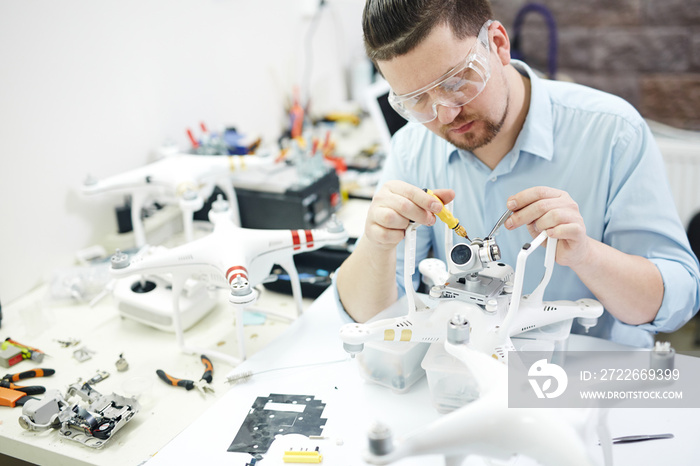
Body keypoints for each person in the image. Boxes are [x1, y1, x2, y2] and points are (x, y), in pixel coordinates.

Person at [335, 0, 700, 347]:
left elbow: (675, 305)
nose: (444, 114)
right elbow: (369, 320)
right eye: (417, 100)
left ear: (498, 43)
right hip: (472, 376)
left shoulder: (613, 133)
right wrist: (375, 244)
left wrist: (587, 256)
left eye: (455, 81)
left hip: (591, 379)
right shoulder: (412, 149)